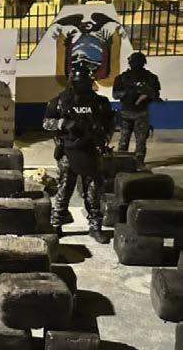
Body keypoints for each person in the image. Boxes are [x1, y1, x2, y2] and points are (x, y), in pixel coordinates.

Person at [43, 64, 114, 244]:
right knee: (64, 189)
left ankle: (95, 227)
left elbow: (110, 123)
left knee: (93, 191)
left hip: (91, 151)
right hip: (68, 151)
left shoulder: (100, 102)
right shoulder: (60, 101)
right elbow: (46, 123)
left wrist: (103, 138)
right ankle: (56, 224)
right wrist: (63, 124)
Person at [113, 52, 161, 166]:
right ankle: (123, 163)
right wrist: (130, 92)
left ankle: (137, 163)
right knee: (124, 142)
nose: (135, 65)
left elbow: (155, 95)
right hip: (127, 114)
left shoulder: (150, 77)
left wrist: (145, 94)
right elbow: (115, 95)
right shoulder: (122, 78)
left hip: (140, 113)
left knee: (140, 141)